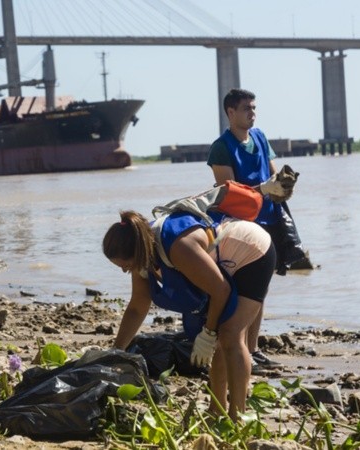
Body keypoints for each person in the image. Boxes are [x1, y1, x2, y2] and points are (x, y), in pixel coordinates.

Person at [103, 208, 276, 420]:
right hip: (221, 267)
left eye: (126, 265)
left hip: (252, 251)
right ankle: (216, 409)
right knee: (222, 335)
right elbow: (137, 307)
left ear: (136, 252)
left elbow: (220, 290)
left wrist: (208, 333)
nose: (125, 270)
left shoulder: (178, 247)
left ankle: (237, 415)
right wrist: (117, 350)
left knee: (230, 334)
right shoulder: (143, 258)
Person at [207, 88, 296, 371]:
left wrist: (283, 184)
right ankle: (239, 349)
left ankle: (253, 350)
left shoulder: (259, 136)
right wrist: (264, 189)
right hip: (241, 227)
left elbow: (272, 174)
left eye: (254, 107)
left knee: (261, 290)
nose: (252, 113)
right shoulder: (221, 147)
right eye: (246, 108)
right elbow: (228, 193)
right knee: (243, 292)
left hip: (268, 221)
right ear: (230, 112)